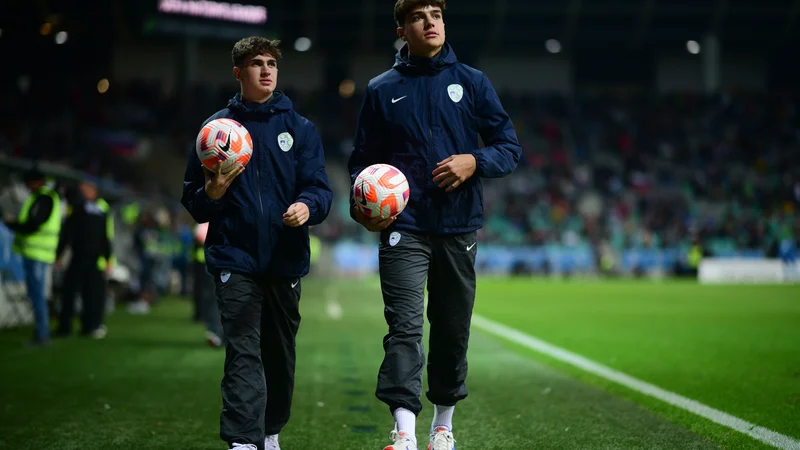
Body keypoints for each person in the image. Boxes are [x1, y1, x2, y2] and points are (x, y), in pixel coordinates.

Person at [347, 1, 521, 449]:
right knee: (404, 327)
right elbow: (361, 164)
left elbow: (508, 147)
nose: (431, 23)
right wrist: (365, 202)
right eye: (420, 16)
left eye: (437, 15)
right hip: (404, 226)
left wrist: (474, 160)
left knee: (451, 327)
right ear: (403, 29)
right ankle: (404, 432)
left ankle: (443, 426)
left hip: (458, 225)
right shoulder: (381, 89)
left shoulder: (472, 82)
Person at [181, 36, 333, 450]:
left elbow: (320, 189)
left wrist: (306, 205)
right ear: (238, 73)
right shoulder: (216, 131)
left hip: (285, 259)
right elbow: (192, 198)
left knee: (279, 356)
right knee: (243, 349)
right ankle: (243, 441)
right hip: (235, 257)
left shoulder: (299, 129)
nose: (266, 70)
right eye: (256, 64)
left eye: (271, 63)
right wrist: (210, 196)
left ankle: (269, 432)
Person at [4, 167, 62, 347]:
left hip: (37, 254)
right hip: (37, 253)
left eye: (29, 183)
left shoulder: (44, 198)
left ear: (36, 182)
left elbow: (34, 224)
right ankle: (41, 333)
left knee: (36, 295)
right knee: (36, 294)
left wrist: (14, 226)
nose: (27, 187)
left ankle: (42, 335)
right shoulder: (43, 197)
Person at [54, 179, 114, 339]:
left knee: (75, 292)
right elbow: (104, 237)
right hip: (88, 256)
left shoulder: (80, 208)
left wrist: (58, 254)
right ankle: (86, 326)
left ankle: (70, 327)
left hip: (85, 257)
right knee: (83, 293)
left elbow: (68, 232)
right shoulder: (99, 210)